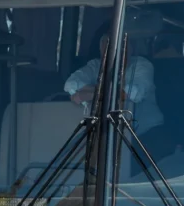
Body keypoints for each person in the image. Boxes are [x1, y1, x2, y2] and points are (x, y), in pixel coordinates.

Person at [64, 26, 173, 159]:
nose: (113, 53)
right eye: (107, 48)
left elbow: (132, 93)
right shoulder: (95, 66)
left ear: (129, 48)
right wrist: (108, 92)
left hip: (146, 135)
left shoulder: (142, 65)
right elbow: (71, 84)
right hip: (110, 135)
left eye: (119, 47)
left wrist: (90, 94)